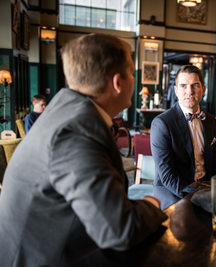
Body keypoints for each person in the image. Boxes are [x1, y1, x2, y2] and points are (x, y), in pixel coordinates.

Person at [0, 33, 167, 266]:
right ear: (117, 83)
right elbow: (118, 230)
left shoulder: (65, 106)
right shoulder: (77, 132)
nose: (134, 78)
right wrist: (152, 204)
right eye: (131, 72)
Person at [151, 65, 216, 209]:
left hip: (205, 187)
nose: (189, 91)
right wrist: (196, 196)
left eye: (194, 85)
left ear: (203, 89)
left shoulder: (210, 121)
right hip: (173, 191)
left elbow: (215, 163)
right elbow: (168, 176)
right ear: (176, 90)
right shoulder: (162, 124)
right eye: (183, 86)